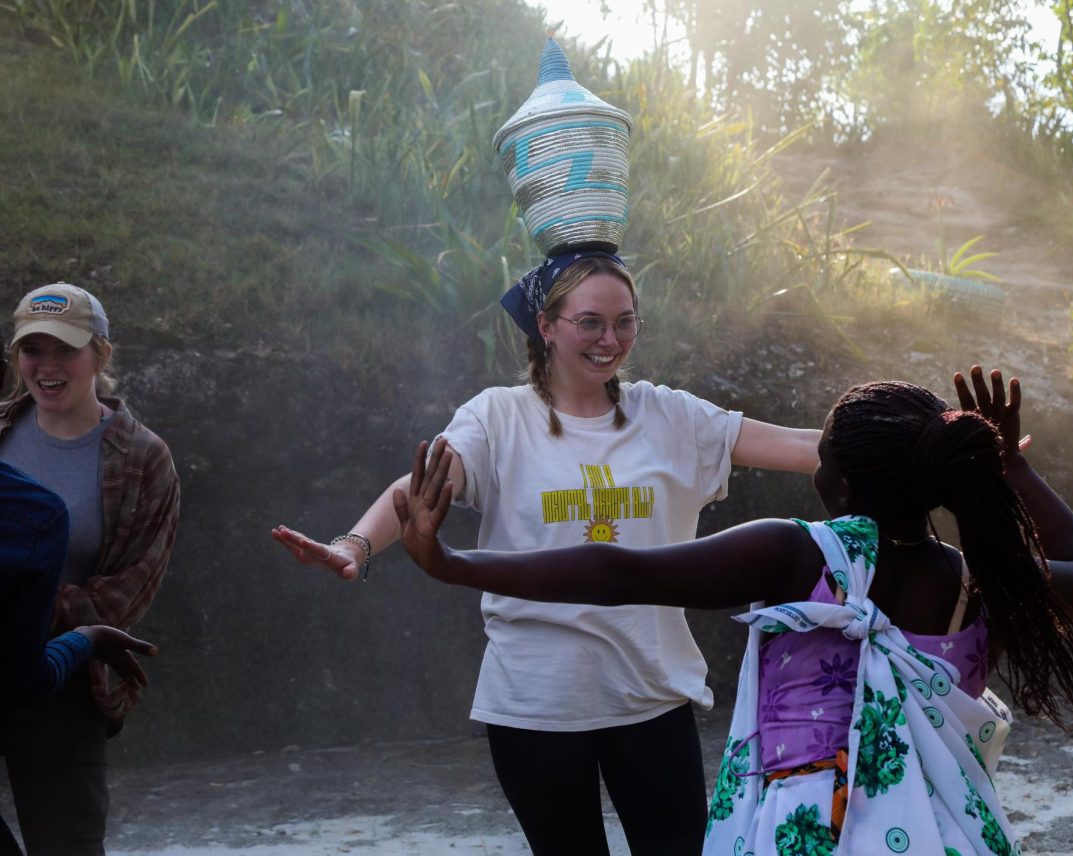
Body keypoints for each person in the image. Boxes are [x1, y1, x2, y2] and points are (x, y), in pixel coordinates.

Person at [394, 366, 1073, 854]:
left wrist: (453, 564)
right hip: (945, 833)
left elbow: (620, 570)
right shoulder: (975, 587)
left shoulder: (802, 557)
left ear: (839, 482)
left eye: (823, 454)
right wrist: (1012, 467)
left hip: (806, 832)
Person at [273, 252, 822, 854]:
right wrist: (353, 546)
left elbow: (802, 447)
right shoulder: (498, 417)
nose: (609, 340)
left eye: (625, 322)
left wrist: (926, 429)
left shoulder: (670, 416)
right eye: (589, 322)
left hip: (650, 695)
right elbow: (421, 487)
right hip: (535, 706)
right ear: (547, 325)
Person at [0, 283, 180, 856]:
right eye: (34, 350)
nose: (47, 367)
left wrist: (25, 604)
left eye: (66, 350)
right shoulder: (0, 432)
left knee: (68, 847)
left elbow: (129, 593)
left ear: (101, 355)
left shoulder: (144, 458)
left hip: (67, 682)